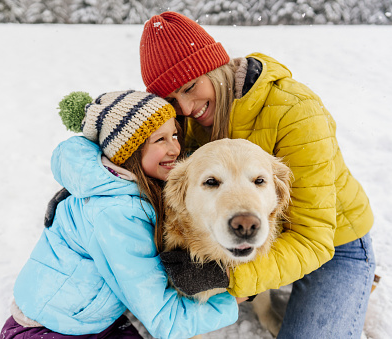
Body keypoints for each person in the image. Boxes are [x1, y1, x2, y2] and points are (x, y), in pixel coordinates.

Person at [139, 12, 375, 338]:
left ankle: (352, 281)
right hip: (257, 234)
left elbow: (314, 238)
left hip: (332, 241)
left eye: (191, 87)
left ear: (215, 66)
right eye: (172, 100)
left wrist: (226, 278)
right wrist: (97, 181)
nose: (188, 108)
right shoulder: (187, 120)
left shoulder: (295, 110)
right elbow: (143, 151)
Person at [0, 90, 240, 339]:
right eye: (160, 140)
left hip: (94, 319)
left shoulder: (139, 182)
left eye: (175, 135)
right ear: (130, 151)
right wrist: (233, 299)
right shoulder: (118, 215)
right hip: (47, 329)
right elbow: (165, 321)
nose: (175, 149)